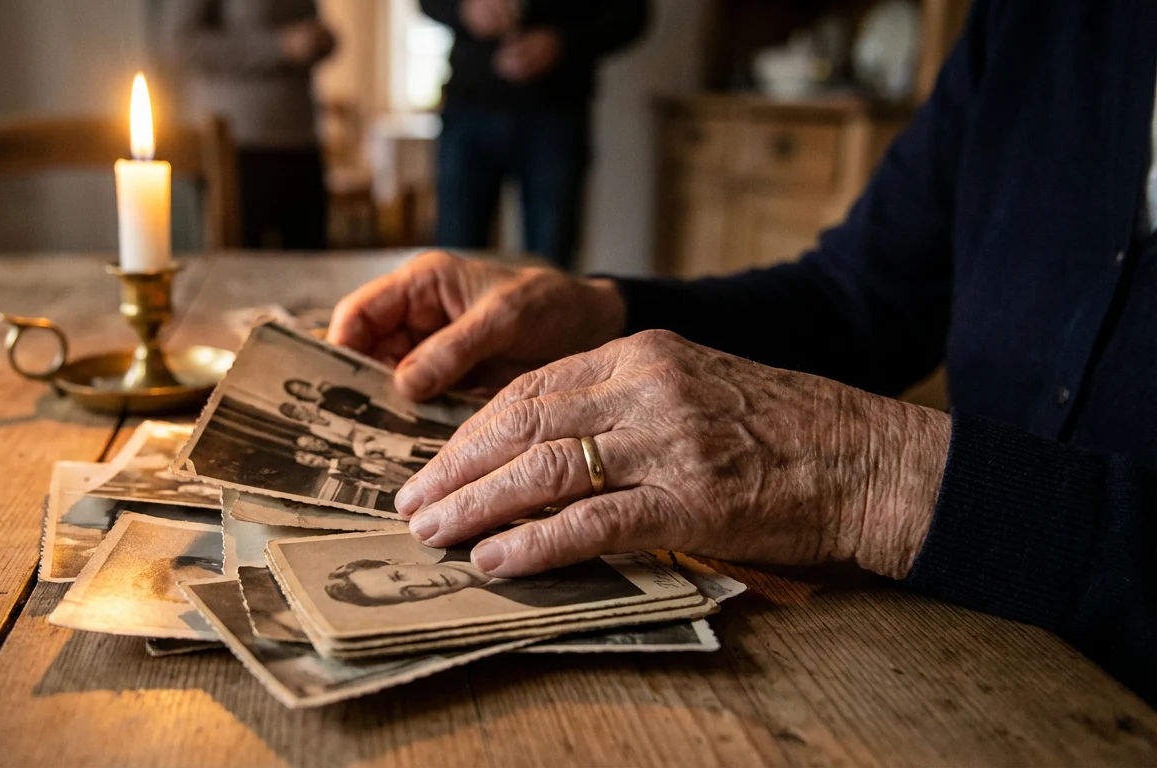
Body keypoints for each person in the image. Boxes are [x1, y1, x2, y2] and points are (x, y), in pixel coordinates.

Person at [325, 1, 1157, 704]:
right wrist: (599, 310)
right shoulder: (1040, 20)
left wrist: (879, 475)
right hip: (953, 665)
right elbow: (854, 301)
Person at [419, 0, 649, 269]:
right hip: (469, 107)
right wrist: (464, 9)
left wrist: (563, 44)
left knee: (550, 266)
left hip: (557, 112)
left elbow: (630, 15)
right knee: (453, 261)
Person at [165, 0, 335, 249]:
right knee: (238, 264)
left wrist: (322, 41)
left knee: (313, 260)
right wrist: (278, 46)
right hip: (241, 144)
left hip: (301, 138)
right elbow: (182, 42)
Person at [324, 549, 642, 608]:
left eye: (399, 575)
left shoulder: (471, 532)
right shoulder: (537, 604)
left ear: (395, 560)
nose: (424, 586)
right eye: (407, 593)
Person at [283, 378, 456, 439]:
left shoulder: (334, 391)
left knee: (422, 427)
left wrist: (397, 410)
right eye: (299, 392)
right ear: (300, 397)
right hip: (373, 426)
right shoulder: (322, 409)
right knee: (416, 438)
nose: (304, 391)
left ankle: (454, 434)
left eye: (302, 387)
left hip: (381, 413)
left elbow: (370, 399)